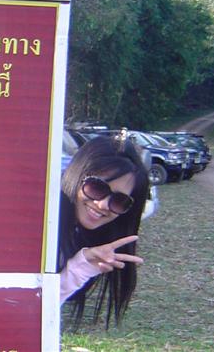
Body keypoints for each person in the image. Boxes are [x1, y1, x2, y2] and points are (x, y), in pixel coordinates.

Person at [58, 132, 149, 327]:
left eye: (119, 201)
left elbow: (40, 305)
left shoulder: (76, 236)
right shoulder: (38, 227)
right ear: (76, 174)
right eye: (97, 187)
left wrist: (80, 267)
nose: (102, 205)